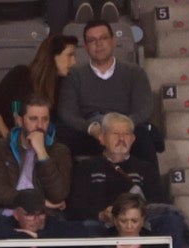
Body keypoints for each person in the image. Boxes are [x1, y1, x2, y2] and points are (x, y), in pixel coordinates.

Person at [57, 21, 156, 161]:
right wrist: (91, 128)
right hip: (89, 131)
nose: (99, 44)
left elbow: (144, 109)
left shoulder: (135, 73)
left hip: (124, 128)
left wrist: (120, 128)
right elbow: (67, 113)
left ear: (114, 41)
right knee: (62, 138)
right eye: (92, 40)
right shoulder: (74, 75)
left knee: (144, 139)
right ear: (85, 47)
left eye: (103, 38)